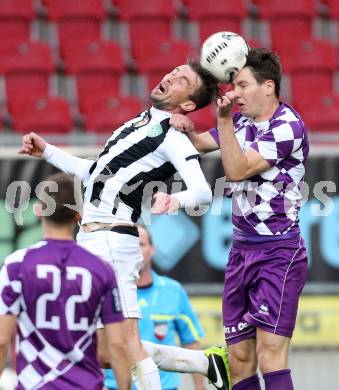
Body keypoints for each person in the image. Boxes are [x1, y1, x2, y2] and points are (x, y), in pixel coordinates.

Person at [18, 60, 230, 390]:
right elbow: (93, 173)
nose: (170, 76)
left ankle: (205, 363)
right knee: (104, 350)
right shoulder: (135, 124)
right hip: (91, 240)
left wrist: (176, 200)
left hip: (113, 240)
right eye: (173, 72)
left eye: (181, 79)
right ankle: (205, 362)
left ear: (188, 104)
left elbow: (202, 190)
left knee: (127, 342)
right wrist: (47, 151)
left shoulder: (172, 135)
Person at [174, 48, 309, 390]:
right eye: (233, 85)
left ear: (268, 87)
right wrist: (181, 126)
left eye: (243, 85)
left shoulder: (287, 126)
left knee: (269, 356)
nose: (234, 93)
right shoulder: (241, 121)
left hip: (279, 252)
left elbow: (237, 170)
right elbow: (202, 144)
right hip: (241, 252)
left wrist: (221, 119)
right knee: (239, 361)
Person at [0, 173, 131, 389]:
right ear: (80, 215)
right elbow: (117, 345)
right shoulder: (102, 269)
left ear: (38, 210)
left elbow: (2, 340)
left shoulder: (17, 265)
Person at [105, 224, 205, 390]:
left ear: (152, 249)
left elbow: (191, 343)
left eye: (140, 244)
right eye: (128, 244)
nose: (134, 250)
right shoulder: (107, 291)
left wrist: (200, 387)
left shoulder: (173, 291)